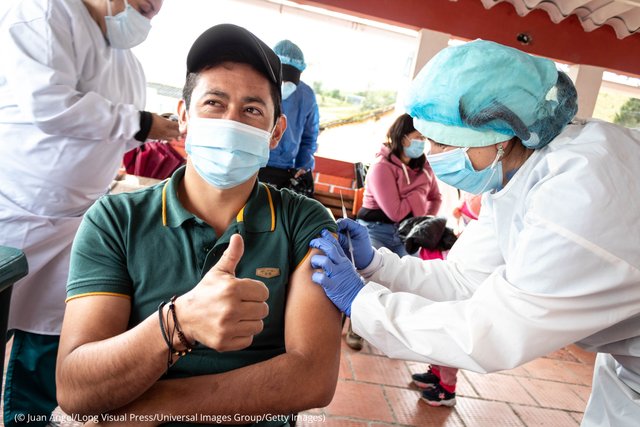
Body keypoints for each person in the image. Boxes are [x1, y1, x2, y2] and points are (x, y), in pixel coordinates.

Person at [309, 39, 640, 425]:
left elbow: (491, 331)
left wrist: (361, 301)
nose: (432, 153)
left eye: (443, 141)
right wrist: (376, 266)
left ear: (500, 131)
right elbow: (463, 278)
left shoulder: (581, 190)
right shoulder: (518, 176)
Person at [55, 23, 341, 423]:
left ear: (276, 133)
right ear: (184, 117)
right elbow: (76, 386)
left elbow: (312, 377)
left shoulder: (305, 222)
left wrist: (147, 410)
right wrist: (179, 323)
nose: (231, 121)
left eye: (252, 110)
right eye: (214, 103)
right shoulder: (114, 221)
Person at [0, 0, 179, 424]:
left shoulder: (128, 65)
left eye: (154, 9)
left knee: (49, 335)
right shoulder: (46, 12)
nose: (150, 10)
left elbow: (124, 137)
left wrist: (165, 131)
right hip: (10, 208)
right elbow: (51, 106)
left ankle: (30, 418)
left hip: (73, 226)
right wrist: (143, 123)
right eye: (141, 4)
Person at [345, 113, 441, 350]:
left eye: (424, 138)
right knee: (370, 279)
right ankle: (356, 329)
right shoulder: (381, 167)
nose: (422, 143)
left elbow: (436, 198)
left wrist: (420, 214)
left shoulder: (424, 167)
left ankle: (393, 330)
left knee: (413, 279)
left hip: (409, 232)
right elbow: (395, 211)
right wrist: (418, 195)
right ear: (402, 137)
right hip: (377, 229)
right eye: (417, 137)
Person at [258, 39, 319, 197]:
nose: (285, 84)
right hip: (252, 163)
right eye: (281, 78)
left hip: (284, 170)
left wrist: (303, 166)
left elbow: (309, 138)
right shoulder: (257, 86)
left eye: (290, 81)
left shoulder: (306, 96)